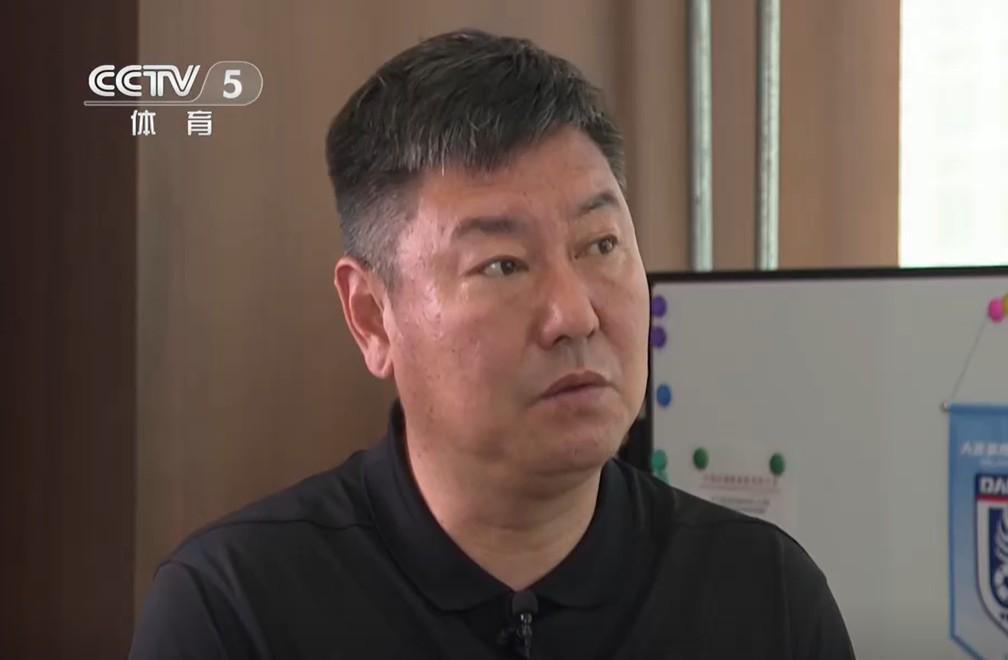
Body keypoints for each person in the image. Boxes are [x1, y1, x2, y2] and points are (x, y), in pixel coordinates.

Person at [129, 29, 854, 659]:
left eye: (601, 244)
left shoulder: (765, 597)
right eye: (503, 265)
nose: (574, 315)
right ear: (372, 317)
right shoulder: (235, 610)